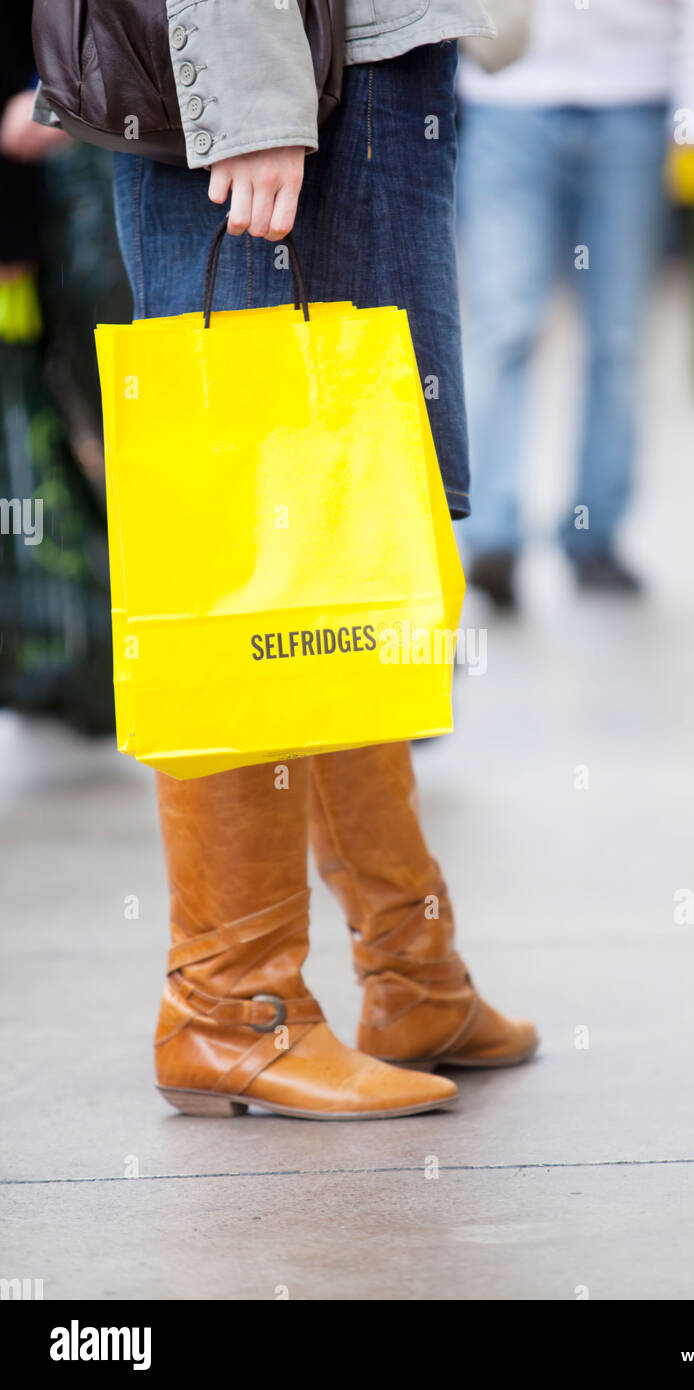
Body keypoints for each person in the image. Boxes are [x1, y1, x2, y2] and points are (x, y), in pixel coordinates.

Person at [35, 1, 538, 1120]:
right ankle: (232, 1006)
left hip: (358, 83)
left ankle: (412, 973)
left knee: (349, 535)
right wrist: (253, 101)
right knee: (251, 543)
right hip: (283, 95)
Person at [458, 0, 694, 605]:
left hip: (635, 99)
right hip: (505, 94)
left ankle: (595, 534)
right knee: (503, 324)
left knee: (618, 333)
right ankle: (491, 536)